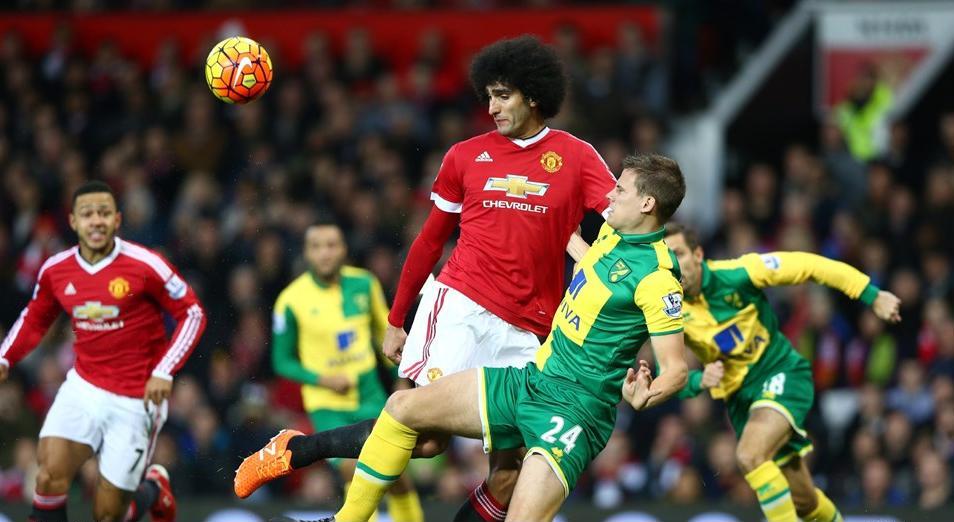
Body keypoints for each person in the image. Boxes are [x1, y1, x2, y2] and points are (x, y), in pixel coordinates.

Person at [235, 35, 616, 522]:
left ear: (534, 96)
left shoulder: (577, 157)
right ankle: (300, 452)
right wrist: (397, 319)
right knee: (428, 437)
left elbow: (624, 226)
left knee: (511, 468)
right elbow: (430, 242)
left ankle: (300, 448)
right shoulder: (465, 156)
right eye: (489, 96)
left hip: (532, 329)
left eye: (503, 96)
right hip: (464, 306)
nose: (492, 107)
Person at [247, 153, 688, 522]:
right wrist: (552, 227)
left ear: (647, 203)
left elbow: (676, 370)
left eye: (620, 191)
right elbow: (594, 264)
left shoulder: (658, 281)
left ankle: (301, 453)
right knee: (402, 409)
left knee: (507, 490)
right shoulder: (613, 234)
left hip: (575, 412)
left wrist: (645, 395)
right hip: (533, 381)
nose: (609, 195)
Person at [664, 223, 902, 522]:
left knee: (750, 454)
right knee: (805, 502)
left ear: (698, 254)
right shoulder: (668, 311)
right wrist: (699, 380)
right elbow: (668, 375)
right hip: (742, 401)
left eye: (678, 254)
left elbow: (809, 265)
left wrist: (871, 295)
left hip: (780, 373)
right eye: (665, 259)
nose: (673, 265)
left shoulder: (739, 274)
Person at [0, 180, 206, 522]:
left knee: (108, 514)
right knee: (48, 476)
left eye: (104, 213)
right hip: (84, 387)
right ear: (73, 221)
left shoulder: (145, 264)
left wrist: (164, 370)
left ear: (117, 219)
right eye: (87, 214)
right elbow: (35, 318)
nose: (96, 220)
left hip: (136, 398)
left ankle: (153, 488)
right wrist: (5, 356)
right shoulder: (56, 269)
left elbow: (193, 312)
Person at [270, 221, 422, 521]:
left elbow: (385, 334)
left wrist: (401, 379)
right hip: (327, 405)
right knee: (354, 469)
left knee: (397, 473)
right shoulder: (290, 300)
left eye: (331, 245)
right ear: (306, 253)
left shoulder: (365, 284)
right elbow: (281, 361)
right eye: (317, 246)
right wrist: (323, 380)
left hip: (370, 394)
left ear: (343, 249)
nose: (325, 253)